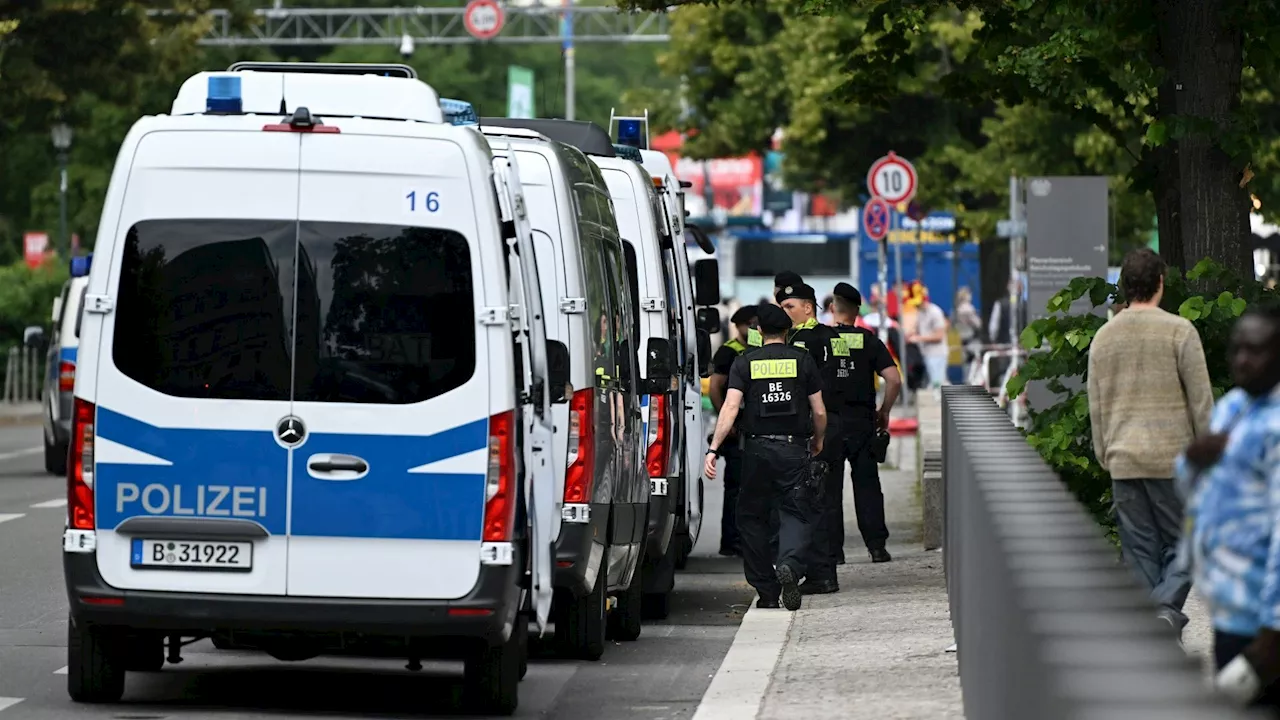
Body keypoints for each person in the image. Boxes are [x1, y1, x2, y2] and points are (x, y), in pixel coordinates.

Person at [1088, 248, 1213, 638]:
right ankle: (1164, 610)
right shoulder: (1180, 331)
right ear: (1160, 282)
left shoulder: (1104, 337)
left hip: (1123, 457)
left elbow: (1097, 404)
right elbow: (1201, 401)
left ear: (1125, 286)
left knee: (1139, 551)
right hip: (1172, 457)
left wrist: (1105, 452)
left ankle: (1152, 628)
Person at [1177, 303, 1280, 713]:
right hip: (1230, 611)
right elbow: (1195, 491)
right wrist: (1191, 460)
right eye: (1236, 349)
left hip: (1264, 624)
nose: (1242, 359)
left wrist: (1274, 628)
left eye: (1255, 350)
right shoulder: (1233, 408)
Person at [704, 304, 827, 612]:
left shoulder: (744, 361)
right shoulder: (803, 360)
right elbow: (820, 410)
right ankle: (789, 564)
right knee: (798, 512)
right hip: (794, 448)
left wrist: (714, 449)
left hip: (756, 451)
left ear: (759, 331)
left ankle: (767, 591)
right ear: (787, 332)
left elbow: (730, 408)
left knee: (751, 518)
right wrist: (818, 440)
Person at [801, 283, 902, 593]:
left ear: (833, 308)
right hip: (861, 422)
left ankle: (835, 553)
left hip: (829, 422)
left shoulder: (819, 339)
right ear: (858, 311)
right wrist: (884, 410)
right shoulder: (869, 341)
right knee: (868, 484)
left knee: (829, 488)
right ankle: (877, 547)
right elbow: (893, 379)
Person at [708, 305, 761, 557]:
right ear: (738, 326)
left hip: (757, 427)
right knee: (736, 487)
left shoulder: (760, 350)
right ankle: (731, 540)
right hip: (736, 427)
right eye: (748, 324)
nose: (753, 329)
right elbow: (716, 387)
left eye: (756, 325)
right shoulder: (729, 352)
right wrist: (725, 422)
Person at [909, 291, 950, 390]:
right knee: (933, 385)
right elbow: (917, 329)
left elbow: (939, 336)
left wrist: (918, 338)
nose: (916, 306)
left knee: (937, 384)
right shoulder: (920, 312)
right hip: (926, 354)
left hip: (937, 354)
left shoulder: (935, 312)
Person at [954, 287, 984, 384]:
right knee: (975, 361)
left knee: (966, 363)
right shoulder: (968, 309)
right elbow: (978, 324)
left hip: (963, 339)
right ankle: (973, 382)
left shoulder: (957, 309)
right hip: (972, 338)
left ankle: (967, 380)